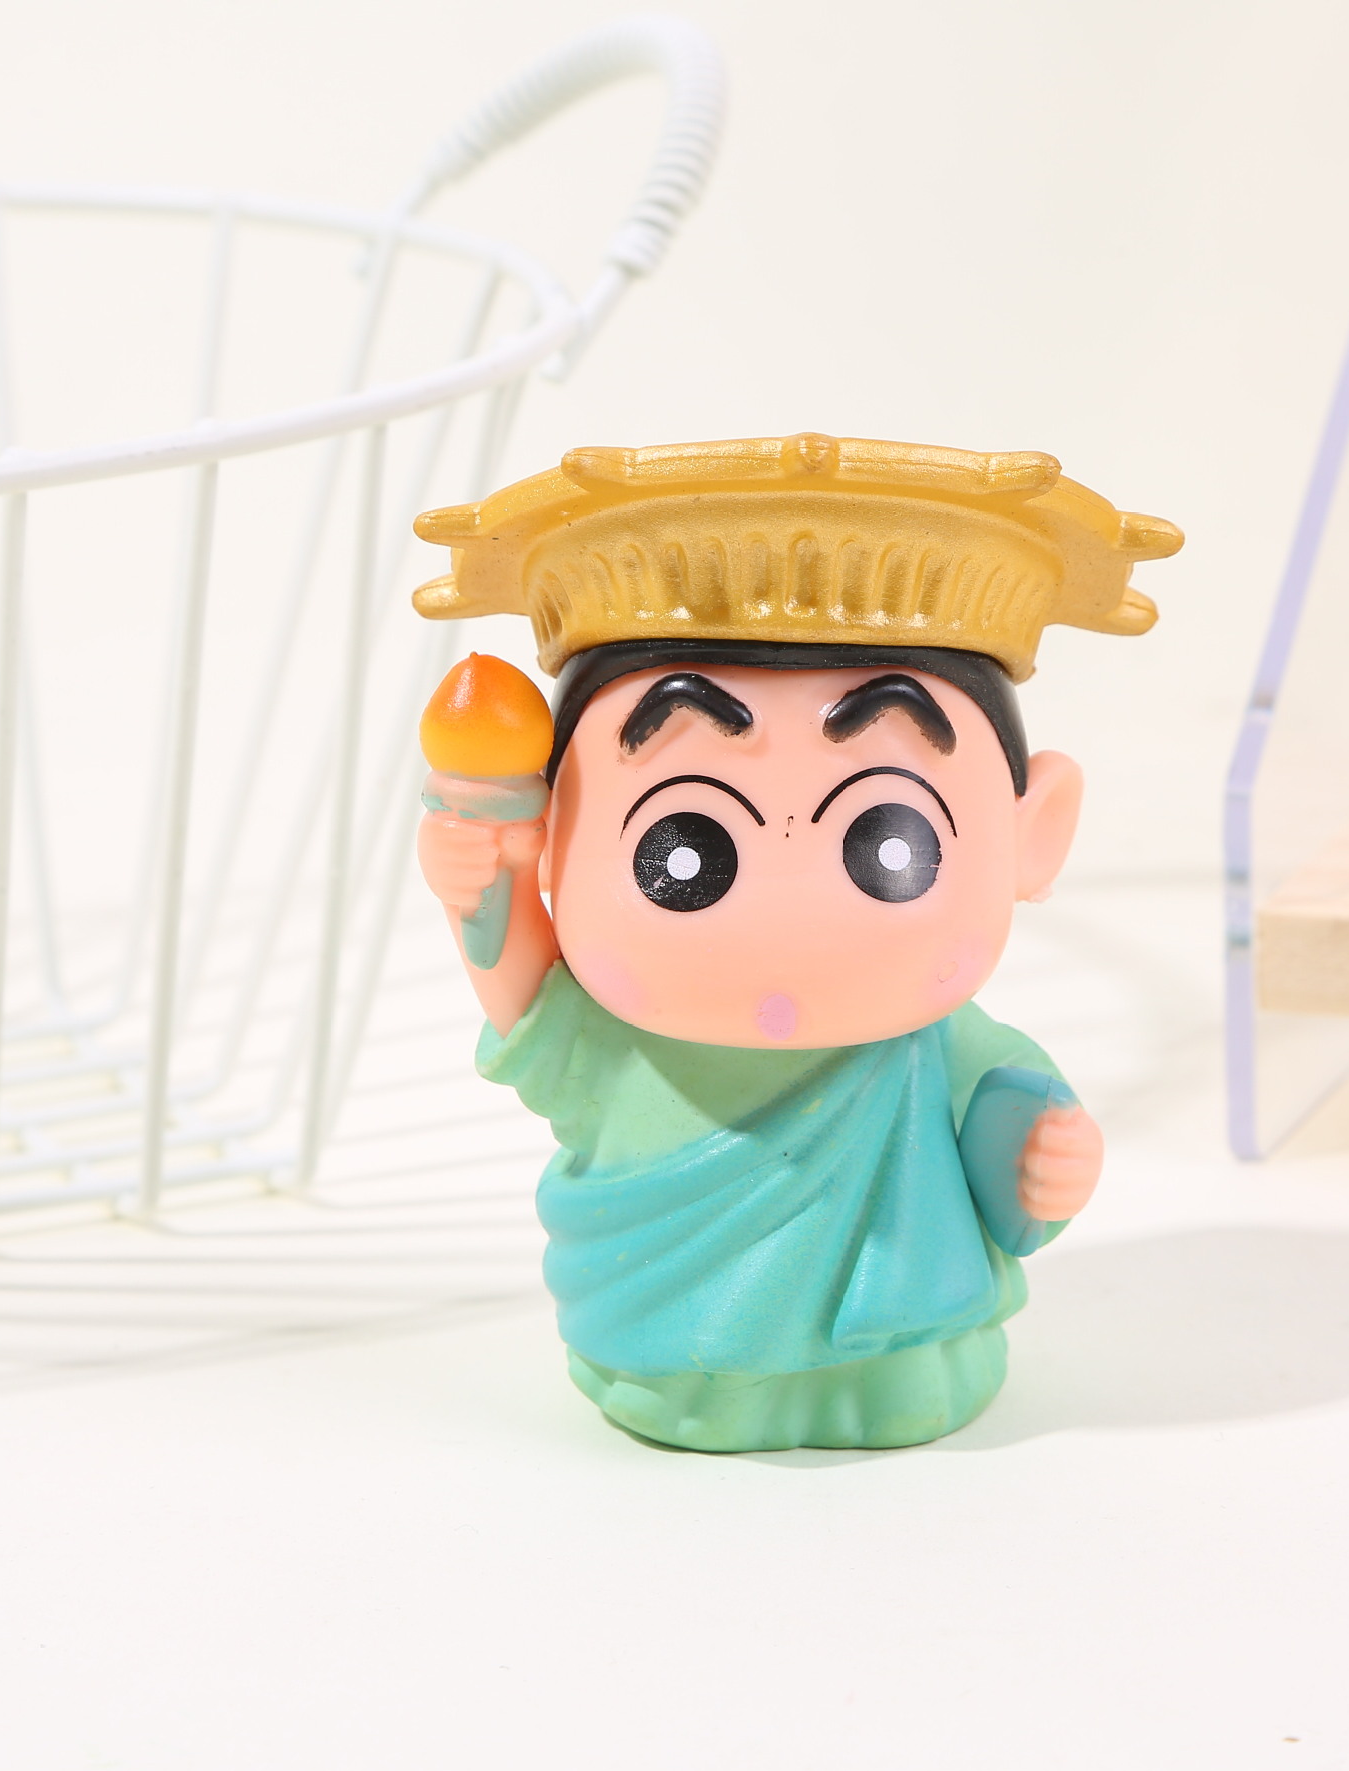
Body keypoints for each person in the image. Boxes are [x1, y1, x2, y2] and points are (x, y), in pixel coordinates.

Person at [412, 433, 1181, 1450]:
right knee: (690, 1383)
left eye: (886, 842)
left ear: (1031, 836)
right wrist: (482, 868)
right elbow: (520, 990)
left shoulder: (942, 1049)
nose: (788, 913)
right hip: (669, 1361)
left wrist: (1046, 1159)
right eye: (685, 849)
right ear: (557, 838)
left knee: (906, 1371)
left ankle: (891, 1370)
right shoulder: (622, 1049)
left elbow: (1012, 1129)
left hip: (910, 1351)